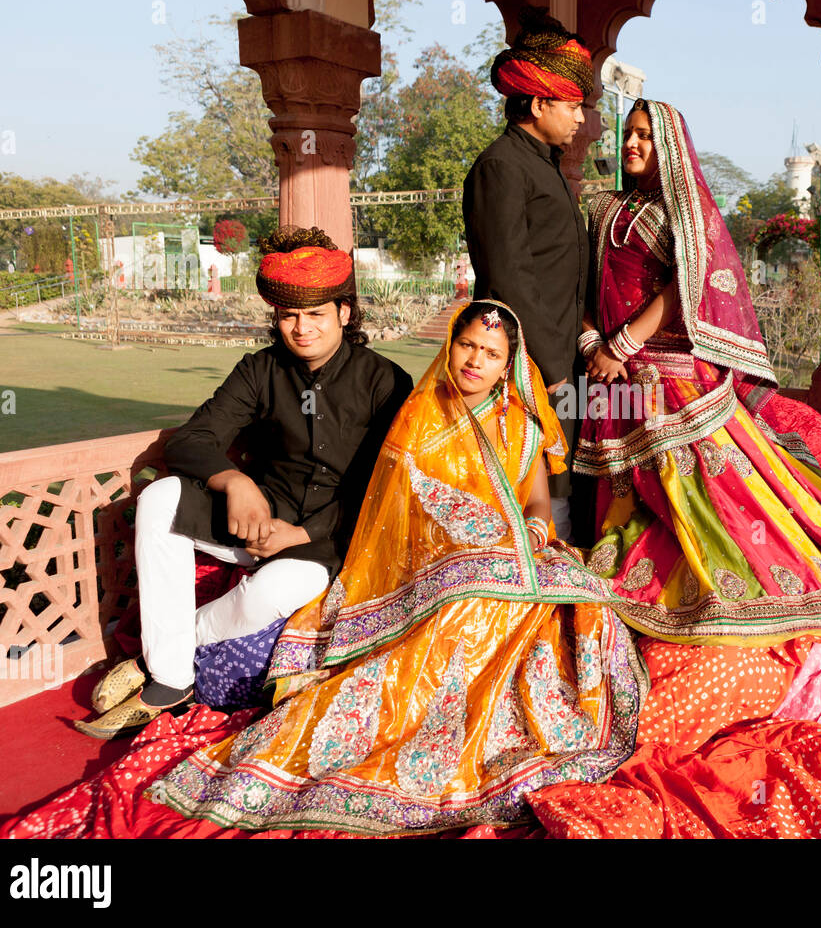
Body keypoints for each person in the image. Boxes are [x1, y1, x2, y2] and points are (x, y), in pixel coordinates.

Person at [144, 301, 645, 835]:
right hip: (429, 560)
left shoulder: (521, 422)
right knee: (471, 604)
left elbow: (537, 505)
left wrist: (534, 535)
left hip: (514, 553)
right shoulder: (419, 415)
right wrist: (468, 545)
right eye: (467, 345)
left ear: (509, 363)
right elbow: (394, 505)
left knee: (584, 604)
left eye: (491, 353)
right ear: (450, 346)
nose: (475, 360)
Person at [574, 99, 821, 645]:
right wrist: (592, 344)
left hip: (673, 375)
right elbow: (585, 282)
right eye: (628, 133)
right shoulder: (603, 207)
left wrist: (624, 344)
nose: (633, 144)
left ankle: (713, 588)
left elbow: (684, 289)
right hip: (612, 377)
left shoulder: (688, 210)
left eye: (646, 136)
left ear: (670, 146)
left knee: (703, 495)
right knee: (626, 495)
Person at [77, 226, 413, 739]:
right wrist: (234, 481)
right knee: (162, 496)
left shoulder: (386, 382)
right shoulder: (260, 370)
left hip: (335, 540)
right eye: (288, 316)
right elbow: (192, 438)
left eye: (316, 314)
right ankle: (171, 680)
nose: (301, 329)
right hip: (256, 519)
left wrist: (302, 536)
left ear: (345, 312)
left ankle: (159, 658)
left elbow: (383, 487)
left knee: (280, 585)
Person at [463, 7, 593, 541]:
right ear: (538, 102)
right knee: (537, 491)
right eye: (573, 106)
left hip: (560, 360)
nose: (580, 119)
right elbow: (508, 276)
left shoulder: (543, 165)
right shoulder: (502, 166)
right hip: (528, 365)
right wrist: (552, 367)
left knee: (562, 482)